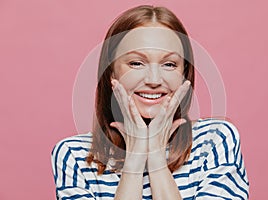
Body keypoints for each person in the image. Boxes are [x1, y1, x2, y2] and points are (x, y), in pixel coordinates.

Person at [51, 5, 249, 200]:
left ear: (183, 74)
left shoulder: (215, 141)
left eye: (169, 64)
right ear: (111, 72)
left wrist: (156, 159)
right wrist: (134, 161)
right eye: (136, 63)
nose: (154, 80)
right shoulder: (74, 156)